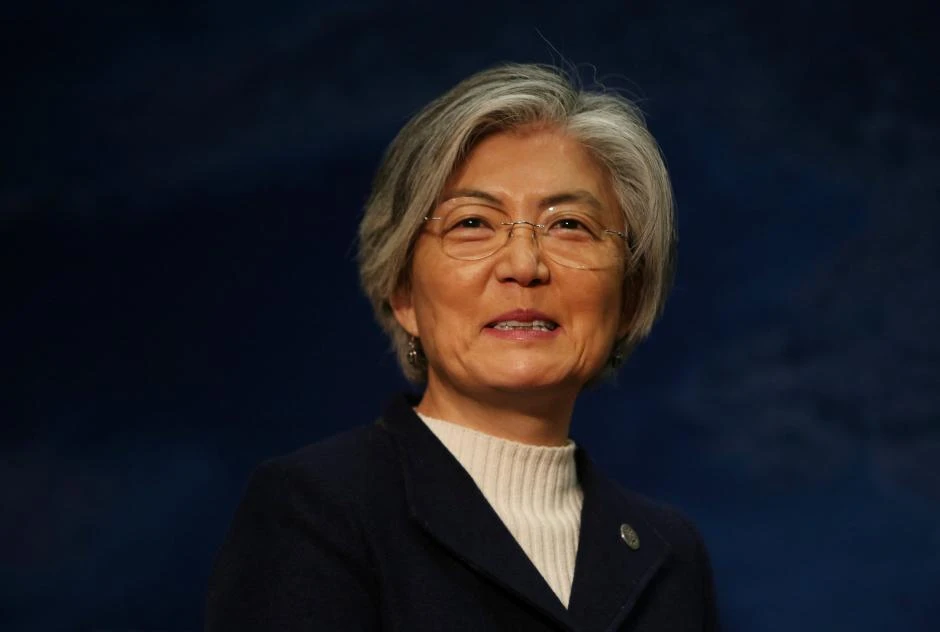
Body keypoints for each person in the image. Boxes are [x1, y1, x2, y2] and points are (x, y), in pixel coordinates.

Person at [205, 63, 720, 631]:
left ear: (629, 294)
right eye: (473, 223)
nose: (524, 265)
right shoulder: (316, 509)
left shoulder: (672, 554)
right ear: (404, 292)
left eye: (570, 225)